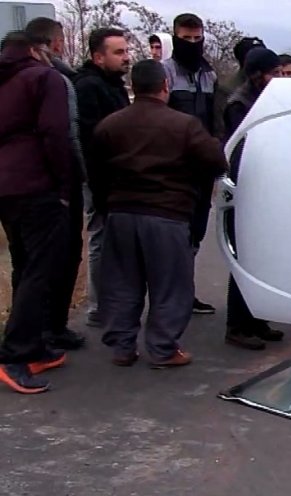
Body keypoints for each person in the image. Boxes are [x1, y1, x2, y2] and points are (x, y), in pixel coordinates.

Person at [92, 59, 228, 369]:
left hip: (121, 213)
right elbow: (216, 162)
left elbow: (96, 172)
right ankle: (163, 349)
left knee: (122, 283)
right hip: (167, 214)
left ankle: (123, 346)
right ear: (165, 86)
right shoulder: (184, 125)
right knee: (170, 285)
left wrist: (107, 207)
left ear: (134, 87)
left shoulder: (109, 125)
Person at [0, 31, 73, 393]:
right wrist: (63, 184)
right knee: (40, 270)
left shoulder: (7, 82)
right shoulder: (44, 78)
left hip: (6, 187)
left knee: (23, 265)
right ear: (34, 50)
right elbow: (55, 132)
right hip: (36, 185)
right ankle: (15, 356)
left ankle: (33, 346)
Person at [26, 17, 88, 351]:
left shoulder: (13, 78)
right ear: (57, 43)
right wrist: (75, 177)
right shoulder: (57, 79)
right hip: (53, 182)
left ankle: (40, 330)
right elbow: (66, 134)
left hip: (22, 182)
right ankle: (48, 329)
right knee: (58, 257)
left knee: (32, 260)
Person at [221, 47, 284, 350]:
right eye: (273, 72)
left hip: (264, 189)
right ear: (257, 74)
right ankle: (237, 325)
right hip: (245, 189)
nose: (277, 78)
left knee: (261, 258)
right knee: (244, 258)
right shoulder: (239, 104)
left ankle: (256, 319)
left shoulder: (262, 99)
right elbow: (242, 149)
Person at [161, 12, 224, 315]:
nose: (192, 43)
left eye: (197, 38)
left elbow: (213, 122)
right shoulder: (165, 73)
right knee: (174, 235)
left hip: (201, 169)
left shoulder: (209, 76)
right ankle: (169, 296)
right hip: (174, 169)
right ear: (175, 37)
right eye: (186, 38)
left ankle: (186, 292)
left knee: (195, 234)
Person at [75, 27, 131, 329]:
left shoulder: (114, 85)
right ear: (98, 57)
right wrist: (98, 187)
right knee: (101, 240)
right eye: (118, 52)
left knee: (115, 242)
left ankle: (110, 302)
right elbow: (90, 140)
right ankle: (98, 307)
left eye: (126, 51)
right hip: (100, 179)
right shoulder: (88, 87)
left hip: (116, 177)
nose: (126, 58)